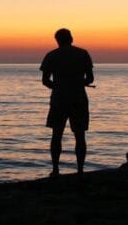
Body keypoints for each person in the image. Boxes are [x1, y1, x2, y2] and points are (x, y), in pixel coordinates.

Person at [40, 28, 93, 177]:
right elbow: (90, 79)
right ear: (71, 38)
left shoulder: (51, 55)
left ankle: (56, 169)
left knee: (56, 134)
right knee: (80, 135)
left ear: (57, 40)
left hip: (59, 99)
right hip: (79, 98)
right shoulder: (83, 54)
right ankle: (80, 170)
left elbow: (45, 81)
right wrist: (78, 83)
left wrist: (57, 86)